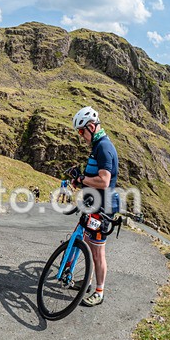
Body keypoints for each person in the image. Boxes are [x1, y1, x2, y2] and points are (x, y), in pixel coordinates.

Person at [67, 105, 119, 307]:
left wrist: (82, 179)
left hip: (102, 208)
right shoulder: (97, 146)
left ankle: (99, 292)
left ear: (91, 127)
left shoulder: (103, 147)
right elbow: (93, 178)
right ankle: (87, 282)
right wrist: (80, 180)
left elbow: (104, 181)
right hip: (94, 204)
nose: (81, 136)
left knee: (97, 253)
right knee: (88, 244)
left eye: (81, 132)